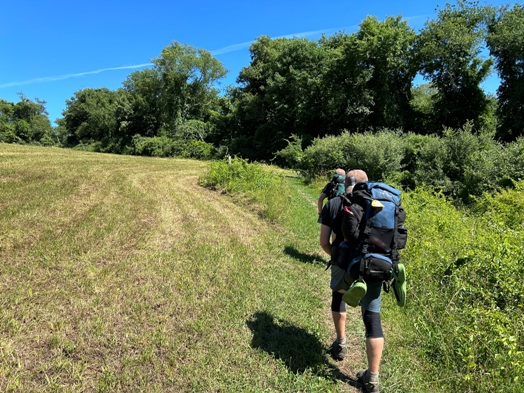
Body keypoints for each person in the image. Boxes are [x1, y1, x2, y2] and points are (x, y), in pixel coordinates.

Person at [319, 169, 384, 393]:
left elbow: (324, 242)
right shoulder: (381, 202)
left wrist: (335, 257)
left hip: (344, 262)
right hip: (374, 265)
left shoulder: (334, 203)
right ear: (368, 182)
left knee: (339, 298)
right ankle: (372, 378)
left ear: (344, 182)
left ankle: (341, 343)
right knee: (372, 317)